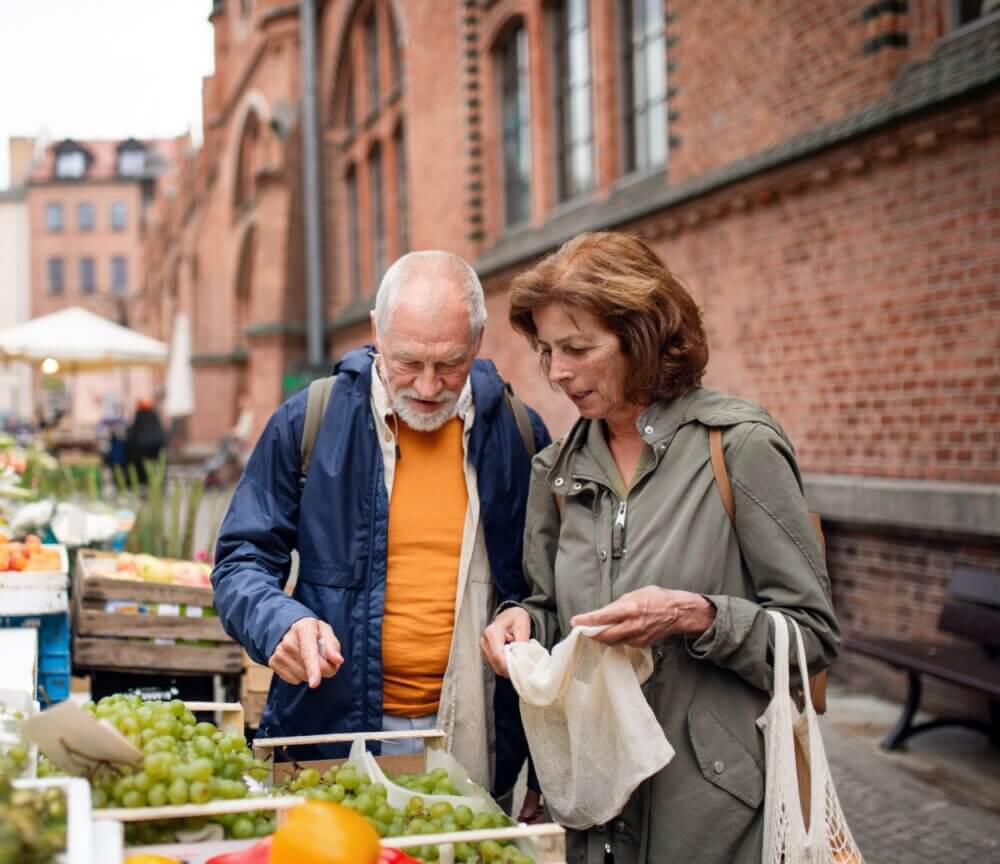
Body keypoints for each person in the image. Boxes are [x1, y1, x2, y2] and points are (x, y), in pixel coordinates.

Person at [480, 232, 840, 863]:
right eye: (547, 350)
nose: (558, 371)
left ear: (641, 337)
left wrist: (695, 615)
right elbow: (552, 609)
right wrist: (521, 625)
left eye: (578, 347)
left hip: (714, 816)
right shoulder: (555, 473)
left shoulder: (738, 447)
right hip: (597, 815)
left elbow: (810, 639)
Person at [212, 251, 550, 793]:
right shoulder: (309, 422)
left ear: (478, 343)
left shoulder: (518, 434)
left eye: (450, 364)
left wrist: (525, 615)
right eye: (408, 362)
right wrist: (278, 621)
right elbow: (240, 561)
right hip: (333, 735)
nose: (428, 385)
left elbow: (547, 587)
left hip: (478, 740)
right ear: (376, 331)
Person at [124, 398, 167, 484]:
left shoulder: (138, 422)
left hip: (138, 473)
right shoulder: (155, 424)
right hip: (155, 474)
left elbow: (129, 442)